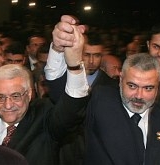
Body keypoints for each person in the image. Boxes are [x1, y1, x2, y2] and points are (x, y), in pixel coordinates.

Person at [47, 15, 160, 165]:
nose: (139, 96)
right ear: (120, 80)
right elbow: (65, 105)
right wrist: (60, 51)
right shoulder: (101, 101)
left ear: (158, 85)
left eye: (148, 88)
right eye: (132, 86)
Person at [0, 60, 89, 165]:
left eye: (16, 96)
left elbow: (71, 112)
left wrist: (74, 67)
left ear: (29, 94)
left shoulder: (45, 120)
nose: (8, 105)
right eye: (1, 97)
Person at [44, 17, 118, 165]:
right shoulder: (66, 80)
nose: (91, 61)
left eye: (96, 55)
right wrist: (58, 48)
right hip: (66, 153)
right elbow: (53, 81)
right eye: (87, 54)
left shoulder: (113, 87)